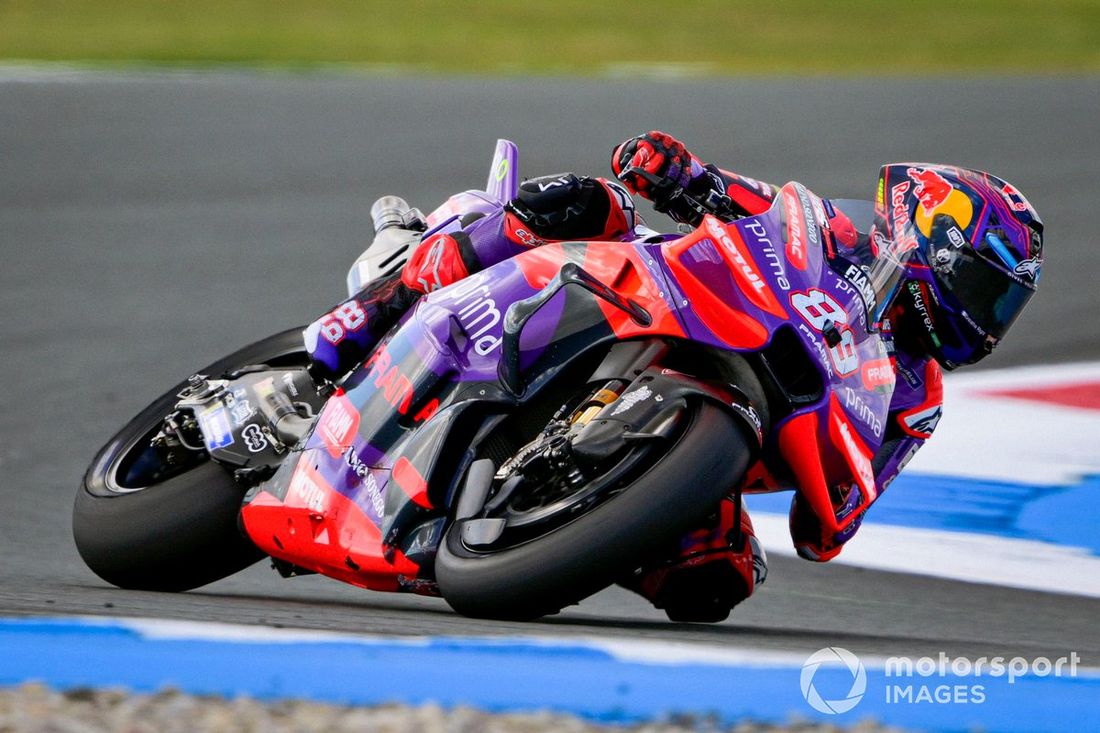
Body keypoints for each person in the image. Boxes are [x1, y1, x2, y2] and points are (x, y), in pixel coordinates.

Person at [305, 131, 1044, 621]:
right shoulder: (840, 233)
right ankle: (382, 302)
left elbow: (834, 521)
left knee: (716, 580)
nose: (990, 319)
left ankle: (543, 518)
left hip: (731, 424)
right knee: (594, 202)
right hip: (653, 294)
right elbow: (733, 194)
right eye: (990, 292)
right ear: (936, 248)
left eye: (1004, 306)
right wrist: (677, 168)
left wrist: (834, 490)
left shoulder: (918, 398)